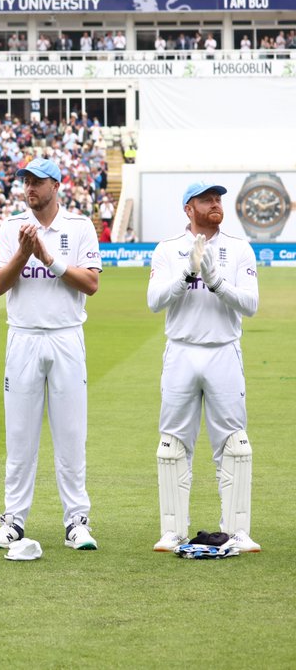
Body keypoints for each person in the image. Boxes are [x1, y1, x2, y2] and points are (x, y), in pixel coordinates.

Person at [0, 157, 101, 551]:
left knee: (71, 435)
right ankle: (13, 520)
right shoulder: (9, 227)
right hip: (23, 337)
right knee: (20, 435)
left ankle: (77, 522)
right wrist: (24, 251)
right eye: (25, 182)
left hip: (67, 337)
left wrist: (48, 258)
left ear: (56, 185)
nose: (29, 188)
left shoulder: (79, 227)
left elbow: (90, 284)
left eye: (37, 182)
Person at [146, 182, 260, 553]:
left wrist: (215, 282)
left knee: (235, 444)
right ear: (188, 208)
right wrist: (183, 275)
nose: (216, 204)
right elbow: (154, 301)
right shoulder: (167, 250)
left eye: (218, 199)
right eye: (207, 200)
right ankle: (173, 531)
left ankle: (238, 530)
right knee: (173, 445)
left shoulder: (239, 248)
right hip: (181, 350)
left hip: (223, 350)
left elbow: (250, 305)